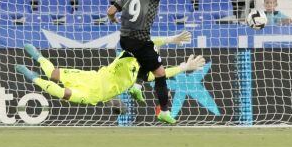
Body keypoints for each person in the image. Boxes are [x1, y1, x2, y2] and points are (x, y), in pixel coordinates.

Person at [15, 35, 204, 112]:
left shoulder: (141, 75)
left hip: (93, 95)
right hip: (90, 77)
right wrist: (171, 39)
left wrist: (184, 67)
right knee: (54, 74)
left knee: (61, 93)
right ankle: (38, 57)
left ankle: (32, 76)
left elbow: (164, 74)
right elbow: (152, 41)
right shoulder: (126, 55)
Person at [106, 0, 194, 125]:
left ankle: (137, 87)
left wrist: (113, 19)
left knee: (149, 53)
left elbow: (110, 10)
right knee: (160, 74)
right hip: (140, 40)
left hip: (125, 39)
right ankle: (164, 112)